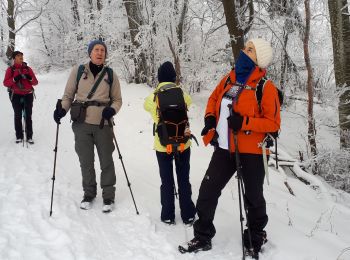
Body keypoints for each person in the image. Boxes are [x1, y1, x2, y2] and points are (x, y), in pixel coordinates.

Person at [180, 38, 281, 258]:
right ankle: (203, 235)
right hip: (225, 148)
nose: (245, 51)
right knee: (208, 190)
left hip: (252, 150)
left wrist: (244, 122)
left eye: (251, 50)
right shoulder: (229, 78)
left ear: (259, 59)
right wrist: (209, 119)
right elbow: (214, 99)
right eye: (246, 47)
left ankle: (255, 237)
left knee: (253, 197)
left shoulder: (266, 87)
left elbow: (273, 123)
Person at [53, 39, 122, 213]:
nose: (100, 53)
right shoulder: (78, 71)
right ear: (90, 53)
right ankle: (89, 193)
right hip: (81, 123)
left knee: (106, 161)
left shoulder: (111, 74)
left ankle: (108, 195)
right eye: (96, 50)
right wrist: (62, 109)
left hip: (103, 124)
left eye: (103, 50)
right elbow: (68, 95)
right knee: (86, 161)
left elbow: (118, 100)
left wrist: (111, 110)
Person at [144, 61, 196, 225]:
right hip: (183, 144)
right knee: (183, 178)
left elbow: (145, 106)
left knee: (166, 180)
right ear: (174, 77)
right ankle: (188, 214)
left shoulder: (153, 96)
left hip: (162, 145)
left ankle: (167, 215)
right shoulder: (182, 93)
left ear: (159, 78)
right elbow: (190, 101)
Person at [3, 51, 38, 144]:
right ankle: (19, 136)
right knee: (18, 115)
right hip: (16, 95)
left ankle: (29, 136)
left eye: (22, 56)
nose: (21, 58)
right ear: (14, 58)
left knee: (28, 115)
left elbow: (35, 82)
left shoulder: (28, 69)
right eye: (19, 56)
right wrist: (15, 79)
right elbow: (5, 83)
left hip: (28, 94)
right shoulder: (10, 70)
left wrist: (29, 78)